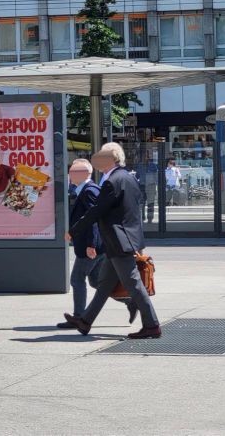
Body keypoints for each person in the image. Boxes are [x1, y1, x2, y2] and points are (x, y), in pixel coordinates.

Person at [64, 143, 161, 340]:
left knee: (134, 284)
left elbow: (96, 211)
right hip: (122, 240)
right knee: (104, 285)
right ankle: (85, 321)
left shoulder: (112, 182)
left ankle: (152, 325)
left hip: (119, 241)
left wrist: (74, 231)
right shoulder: (128, 177)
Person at [58, 158, 137, 329]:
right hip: (98, 246)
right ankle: (130, 301)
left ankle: (79, 317)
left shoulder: (89, 191)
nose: (69, 175)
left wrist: (91, 244)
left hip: (92, 247)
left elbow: (95, 219)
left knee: (76, 279)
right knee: (97, 282)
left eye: (73, 172)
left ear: (83, 174)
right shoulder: (82, 190)